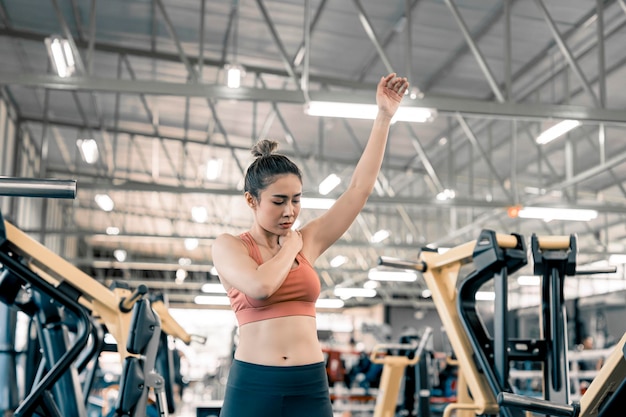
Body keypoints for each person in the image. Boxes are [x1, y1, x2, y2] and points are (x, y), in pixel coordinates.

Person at [211, 72, 410, 417]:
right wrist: (290, 247)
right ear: (251, 200)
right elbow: (260, 286)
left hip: (309, 385)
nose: (290, 212)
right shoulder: (230, 246)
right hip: (254, 386)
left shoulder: (307, 240)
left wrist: (383, 117)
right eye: (278, 201)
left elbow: (358, 191)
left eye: (297, 200)